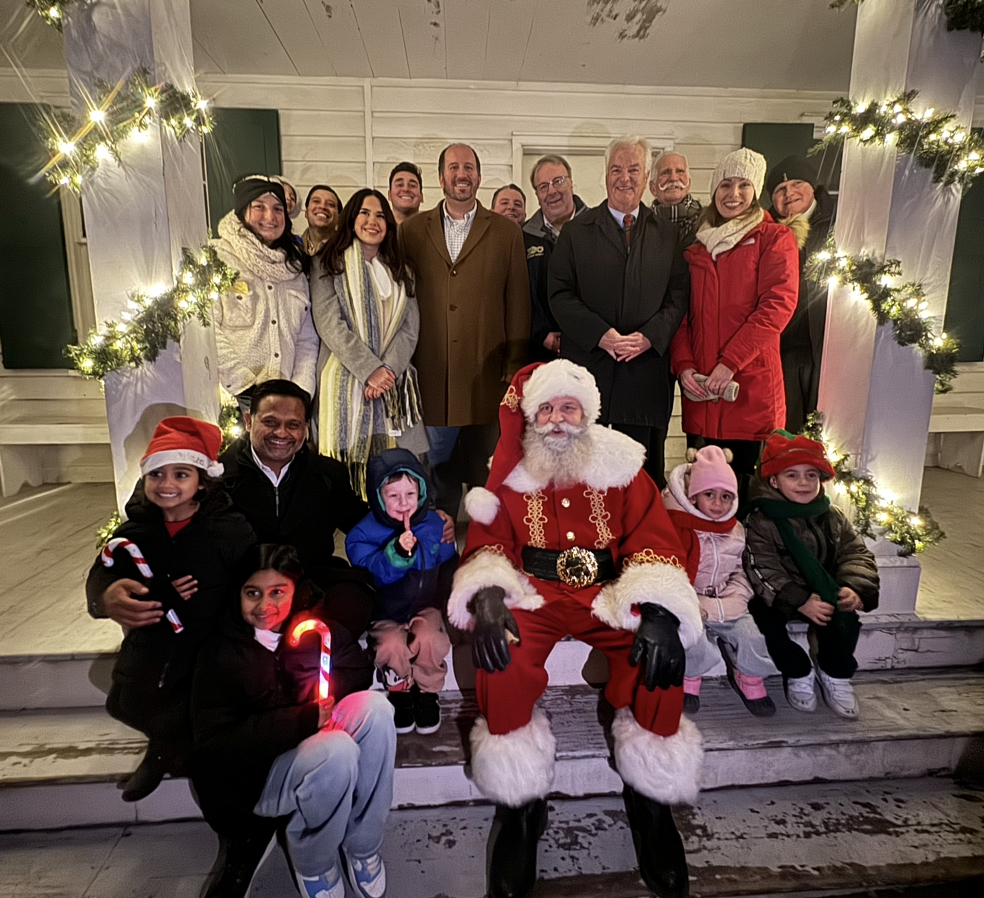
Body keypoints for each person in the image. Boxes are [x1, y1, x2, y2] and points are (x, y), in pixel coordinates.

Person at [450, 359, 702, 898]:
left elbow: (653, 538)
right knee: (504, 656)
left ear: (587, 413)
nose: (558, 419)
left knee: (657, 653)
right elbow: (488, 543)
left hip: (607, 591)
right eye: (547, 408)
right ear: (532, 415)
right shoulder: (509, 471)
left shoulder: (624, 465)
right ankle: (519, 806)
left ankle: (650, 800)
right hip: (535, 591)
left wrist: (657, 608)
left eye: (569, 408)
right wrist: (490, 592)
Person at [218, 379, 456, 698]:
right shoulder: (218, 475)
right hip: (249, 585)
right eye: (270, 422)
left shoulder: (325, 473)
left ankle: (319, 682)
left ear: (305, 428)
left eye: (294, 424)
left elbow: (360, 518)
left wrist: (427, 521)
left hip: (313, 576)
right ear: (249, 421)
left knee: (354, 601)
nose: (282, 433)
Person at [192, 544, 396, 898]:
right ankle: (314, 861)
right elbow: (214, 748)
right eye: (252, 593)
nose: (264, 606)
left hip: (310, 742)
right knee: (337, 750)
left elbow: (358, 672)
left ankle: (362, 845)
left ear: (295, 591)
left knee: (377, 710)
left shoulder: (315, 630)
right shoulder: (221, 653)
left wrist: (317, 689)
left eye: (277, 592)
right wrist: (299, 720)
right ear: (237, 593)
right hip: (256, 779)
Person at [85, 417, 254, 802]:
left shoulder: (226, 530)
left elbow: (248, 581)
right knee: (124, 701)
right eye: (156, 474)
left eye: (181, 474)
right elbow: (105, 569)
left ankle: (188, 756)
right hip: (155, 641)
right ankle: (167, 742)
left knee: (205, 709)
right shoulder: (135, 532)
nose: (167, 484)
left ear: (202, 480)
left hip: (210, 645)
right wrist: (106, 596)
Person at [549, 135, 690, 490]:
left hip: (645, 373)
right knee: (584, 471)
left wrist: (649, 337)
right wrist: (602, 335)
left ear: (647, 179)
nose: (624, 178)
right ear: (605, 175)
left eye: (633, 169)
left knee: (641, 474)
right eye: (616, 169)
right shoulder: (576, 232)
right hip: (590, 369)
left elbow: (679, 295)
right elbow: (559, 294)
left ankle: (639, 542)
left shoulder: (668, 235)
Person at [400, 143, 531, 515]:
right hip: (431, 372)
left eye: (469, 167)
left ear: (479, 175)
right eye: (454, 167)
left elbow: (518, 301)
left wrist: (514, 363)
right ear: (441, 177)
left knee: (485, 470)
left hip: (487, 373)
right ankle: (436, 543)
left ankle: (485, 544)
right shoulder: (411, 231)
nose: (462, 174)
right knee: (433, 470)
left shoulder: (506, 232)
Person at [670, 148, 801, 507]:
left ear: (756, 190)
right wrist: (683, 367)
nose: (734, 194)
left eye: (744, 185)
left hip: (748, 391)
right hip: (702, 395)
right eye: (726, 185)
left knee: (744, 495)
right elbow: (682, 316)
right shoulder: (696, 249)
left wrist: (729, 363)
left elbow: (776, 307)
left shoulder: (774, 239)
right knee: (702, 493)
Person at [744, 430, 879, 719]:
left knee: (844, 617)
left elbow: (856, 554)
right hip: (783, 595)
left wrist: (854, 587)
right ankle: (798, 670)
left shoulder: (832, 516)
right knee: (763, 620)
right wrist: (799, 599)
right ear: (773, 480)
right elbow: (761, 567)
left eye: (811, 475)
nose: (803, 483)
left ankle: (834, 672)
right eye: (791, 475)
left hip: (825, 588)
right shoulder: (761, 519)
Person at [310, 188, 426, 496]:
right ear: (351, 219)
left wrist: (387, 371)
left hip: (393, 382)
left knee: (393, 471)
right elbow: (329, 324)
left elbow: (409, 328)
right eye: (364, 213)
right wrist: (369, 370)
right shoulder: (327, 263)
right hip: (346, 378)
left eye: (379, 215)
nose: (372, 221)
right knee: (345, 474)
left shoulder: (402, 268)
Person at [345, 449, 457, 735]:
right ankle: (400, 691)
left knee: (430, 639)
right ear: (378, 496)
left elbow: (447, 563)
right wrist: (395, 553)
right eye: (393, 496)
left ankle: (428, 692)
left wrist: (452, 598)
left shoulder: (435, 524)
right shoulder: (361, 534)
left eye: (410, 494)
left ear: (421, 492)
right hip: (386, 609)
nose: (403, 503)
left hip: (425, 605)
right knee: (390, 646)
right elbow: (371, 571)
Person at [662, 446, 775, 717]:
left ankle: (749, 677)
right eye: (709, 495)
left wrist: (736, 597)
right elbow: (669, 571)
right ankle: (690, 678)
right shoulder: (678, 525)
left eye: (726, 496)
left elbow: (741, 569)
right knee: (694, 639)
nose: (717, 503)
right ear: (693, 496)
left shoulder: (735, 529)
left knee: (752, 637)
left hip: (727, 598)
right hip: (692, 599)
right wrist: (690, 602)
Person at [212, 175, 318, 414]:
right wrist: (246, 388)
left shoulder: (294, 268)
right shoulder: (217, 257)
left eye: (278, 209)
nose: (270, 217)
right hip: (232, 402)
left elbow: (306, 340)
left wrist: (300, 392)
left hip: (286, 405)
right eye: (259, 207)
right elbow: (207, 329)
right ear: (242, 210)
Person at [766, 156, 838, 433]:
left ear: (812, 187)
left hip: (827, 342)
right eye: (780, 190)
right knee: (787, 423)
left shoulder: (838, 222)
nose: (789, 193)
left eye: (796, 184)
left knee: (828, 424)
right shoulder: (768, 230)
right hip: (783, 346)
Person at [523, 155, 587, 361]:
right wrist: (541, 334)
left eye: (558, 181)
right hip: (540, 353)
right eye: (543, 186)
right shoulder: (523, 238)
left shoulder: (598, 229)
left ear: (571, 183)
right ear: (537, 194)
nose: (552, 191)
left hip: (593, 350)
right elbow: (520, 296)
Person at [649, 152, 702, 247]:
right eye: (665, 172)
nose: (673, 178)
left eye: (680, 171)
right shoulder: (640, 224)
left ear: (689, 183)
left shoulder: (706, 221)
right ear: (653, 188)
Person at [301, 184, 342, 256]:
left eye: (330, 204)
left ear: (338, 217)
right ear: (306, 213)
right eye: (316, 201)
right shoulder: (293, 249)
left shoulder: (347, 251)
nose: (322, 206)